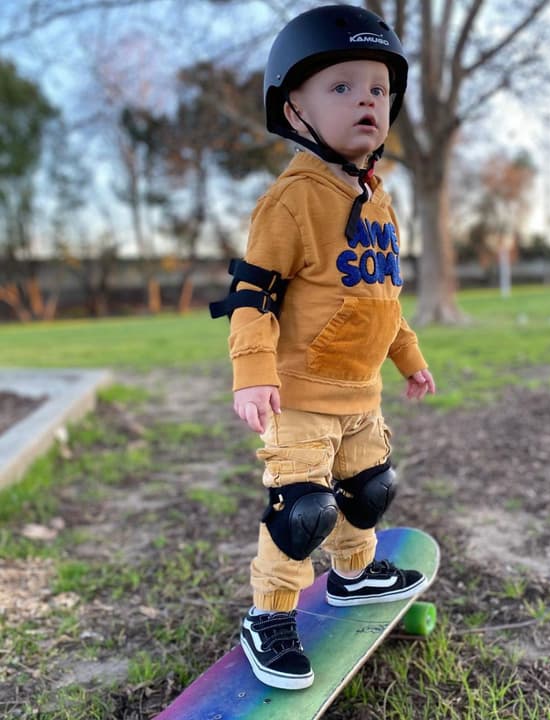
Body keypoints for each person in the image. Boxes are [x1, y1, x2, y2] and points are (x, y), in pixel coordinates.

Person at [209, 4, 435, 690]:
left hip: (360, 396)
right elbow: (252, 297)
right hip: (301, 397)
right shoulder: (290, 201)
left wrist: (410, 357)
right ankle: (268, 615)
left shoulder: (379, 200)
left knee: (367, 492)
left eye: (378, 88)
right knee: (303, 512)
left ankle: (354, 577)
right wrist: (251, 374)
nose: (367, 98)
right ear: (294, 109)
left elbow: (380, 297)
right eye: (341, 87)